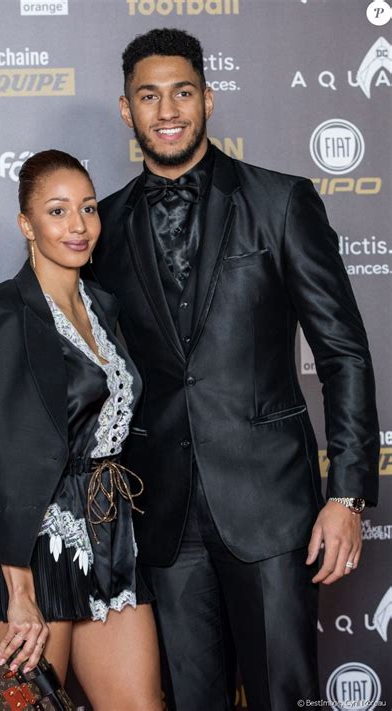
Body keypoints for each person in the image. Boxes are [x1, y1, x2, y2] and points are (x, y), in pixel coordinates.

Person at [88, 28, 380, 711]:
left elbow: (343, 352)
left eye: (182, 92)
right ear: (126, 111)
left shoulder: (281, 202)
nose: (167, 110)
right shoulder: (101, 227)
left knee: (283, 693)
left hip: (272, 510)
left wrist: (348, 494)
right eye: (149, 96)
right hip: (160, 518)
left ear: (209, 101)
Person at [0, 150, 162, 711]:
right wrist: (17, 591)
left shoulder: (107, 309)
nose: (79, 225)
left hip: (113, 543)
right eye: (58, 211)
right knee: (33, 709)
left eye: (87, 208)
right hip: (25, 554)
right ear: (26, 225)